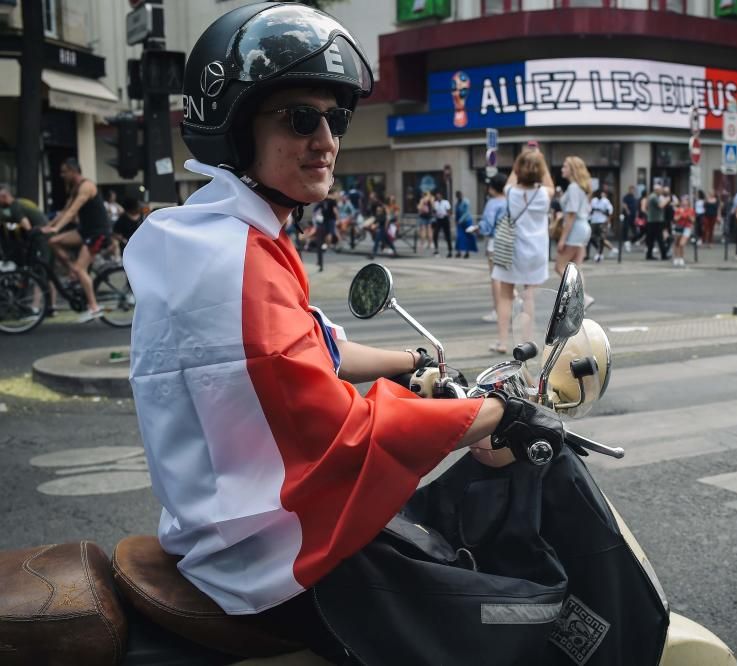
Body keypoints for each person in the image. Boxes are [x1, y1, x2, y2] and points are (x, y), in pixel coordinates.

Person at [127, 4, 566, 659]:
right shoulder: (233, 260)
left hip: (220, 525)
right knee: (475, 618)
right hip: (264, 554)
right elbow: (337, 433)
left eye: (335, 118)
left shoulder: (218, 233)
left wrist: (413, 360)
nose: (327, 140)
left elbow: (314, 346)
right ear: (238, 128)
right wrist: (487, 414)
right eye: (302, 118)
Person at [490, 149, 553, 354]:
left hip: (512, 250)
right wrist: (539, 158)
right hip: (536, 251)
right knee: (529, 297)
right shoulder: (545, 194)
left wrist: (524, 156)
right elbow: (549, 183)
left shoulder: (511, 192)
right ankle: (527, 343)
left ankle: (502, 342)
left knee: (506, 296)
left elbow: (512, 178)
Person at [41, 158, 111, 322]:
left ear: (73, 171)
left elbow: (72, 211)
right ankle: (73, 270)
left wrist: (57, 228)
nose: (61, 175)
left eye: (64, 171)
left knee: (81, 269)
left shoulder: (87, 186)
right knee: (54, 241)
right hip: (84, 231)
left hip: (97, 233)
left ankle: (94, 308)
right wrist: (48, 227)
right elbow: (64, 211)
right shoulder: (75, 188)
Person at [556, 156, 592, 305]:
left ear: (572, 170)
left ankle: (582, 299)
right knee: (575, 268)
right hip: (583, 227)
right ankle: (580, 299)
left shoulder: (573, 187)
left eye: (565, 167)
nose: (562, 169)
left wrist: (562, 238)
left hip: (576, 228)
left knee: (560, 266)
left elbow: (571, 214)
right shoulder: (581, 187)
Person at [472, 173, 507, 324]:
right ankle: (511, 305)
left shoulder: (492, 203)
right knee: (506, 278)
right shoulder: (510, 201)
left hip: (496, 241)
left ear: (492, 188)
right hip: (510, 241)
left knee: (496, 278)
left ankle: (498, 311)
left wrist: (477, 228)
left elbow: (487, 226)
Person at [643, 183, 669, 261]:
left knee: (652, 238)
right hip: (655, 221)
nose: (661, 191)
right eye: (660, 190)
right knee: (659, 238)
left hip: (653, 220)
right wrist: (667, 200)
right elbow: (661, 205)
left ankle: (649, 255)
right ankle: (663, 255)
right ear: (656, 190)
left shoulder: (653, 196)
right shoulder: (654, 197)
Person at [587, 189, 613, 262]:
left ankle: (599, 254)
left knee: (602, 238)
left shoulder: (605, 201)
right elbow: (590, 210)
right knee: (590, 237)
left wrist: (608, 220)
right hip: (594, 221)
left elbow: (609, 211)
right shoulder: (594, 200)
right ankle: (598, 248)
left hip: (602, 221)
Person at [672, 194, 695, 267]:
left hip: (687, 227)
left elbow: (693, 220)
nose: (684, 204)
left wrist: (689, 216)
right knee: (676, 243)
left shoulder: (691, 210)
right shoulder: (678, 210)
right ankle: (676, 258)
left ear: (688, 203)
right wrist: (681, 215)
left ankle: (681, 258)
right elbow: (675, 219)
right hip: (679, 227)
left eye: (686, 202)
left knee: (682, 244)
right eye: (683, 202)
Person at [453, 190, 477, 258]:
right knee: (460, 237)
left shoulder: (466, 201)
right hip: (460, 222)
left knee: (468, 236)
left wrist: (460, 220)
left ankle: (467, 252)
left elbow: (466, 212)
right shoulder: (457, 203)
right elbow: (457, 212)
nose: (458, 197)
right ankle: (459, 251)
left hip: (467, 221)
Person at [432, 190, 453, 257]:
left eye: (439, 195)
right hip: (438, 219)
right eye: (437, 195)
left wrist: (447, 215)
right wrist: (435, 214)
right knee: (435, 234)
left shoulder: (446, 202)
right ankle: (436, 250)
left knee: (447, 235)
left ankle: (450, 251)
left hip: (445, 219)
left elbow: (449, 211)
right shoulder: (435, 203)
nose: (438, 197)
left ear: (441, 195)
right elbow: (434, 211)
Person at [622, 185, 638, 252]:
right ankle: (625, 240)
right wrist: (627, 211)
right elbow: (624, 204)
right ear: (629, 190)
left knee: (635, 229)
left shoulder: (634, 197)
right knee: (626, 227)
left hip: (633, 215)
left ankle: (633, 240)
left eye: (633, 190)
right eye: (631, 190)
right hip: (627, 215)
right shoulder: (626, 197)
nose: (632, 191)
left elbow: (635, 206)